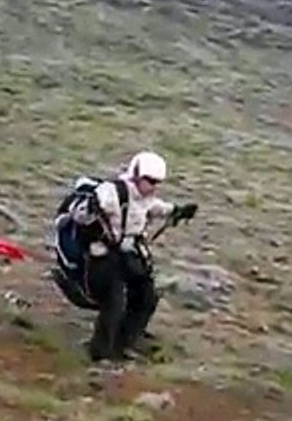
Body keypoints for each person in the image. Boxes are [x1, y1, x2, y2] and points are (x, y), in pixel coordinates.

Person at [69, 151, 197, 362]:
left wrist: (178, 211)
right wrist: (91, 208)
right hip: (103, 258)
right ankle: (100, 354)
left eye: (158, 182)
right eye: (150, 181)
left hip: (128, 256)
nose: (154, 186)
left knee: (147, 297)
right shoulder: (111, 192)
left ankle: (123, 344)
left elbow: (156, 208)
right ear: (136, 174)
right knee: (115, 301)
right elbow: (79, 214)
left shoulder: (145, 198)